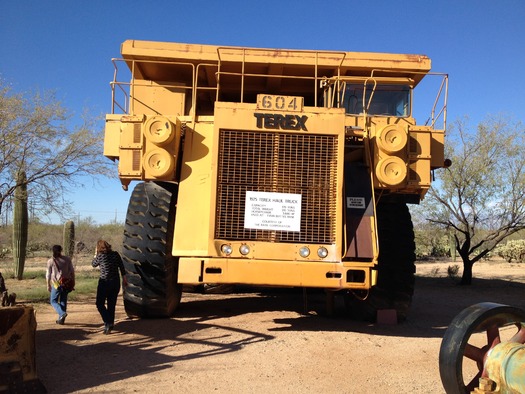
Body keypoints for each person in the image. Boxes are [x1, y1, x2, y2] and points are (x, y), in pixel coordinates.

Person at [92, 240, 127, 334]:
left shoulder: (100, 256)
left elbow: (93, 264)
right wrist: (124, 278)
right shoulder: (115, 254)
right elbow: (121, 267)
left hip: (104, 282)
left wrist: (95, 254)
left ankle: (107, 322)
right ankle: (110, 324)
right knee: (111, 304)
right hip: (115, 282)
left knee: (99, 304)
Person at [46, 245, 75, 325]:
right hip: (66, 283)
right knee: (63, 300)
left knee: (53, 301)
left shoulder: (50, 261)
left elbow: (48, 274)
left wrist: (48, 284)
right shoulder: (67, 259)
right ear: (61, 250)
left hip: (56, 284)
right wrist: (73, 281)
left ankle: (62, 314)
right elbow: (72, 271)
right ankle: (61, 319)